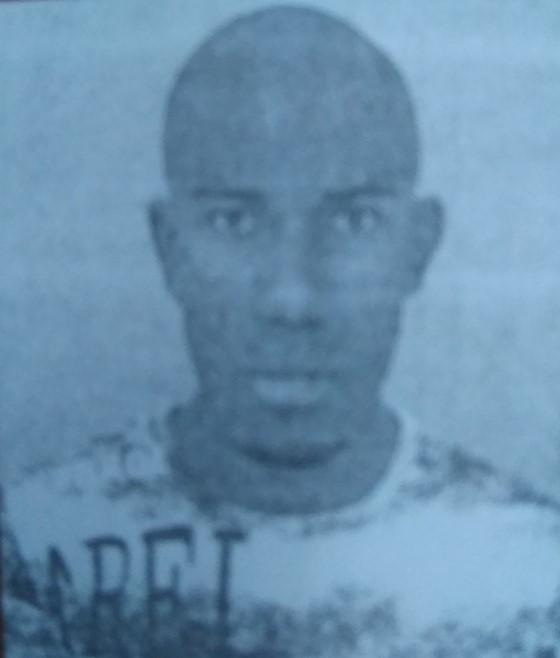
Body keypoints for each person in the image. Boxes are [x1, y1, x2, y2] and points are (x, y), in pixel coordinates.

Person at [3, 6, 560, 657]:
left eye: (353, 220)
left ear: (418, 247)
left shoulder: (530, 573)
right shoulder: (37, 554)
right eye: (234, 220)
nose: (292, 299)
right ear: (170, 249)